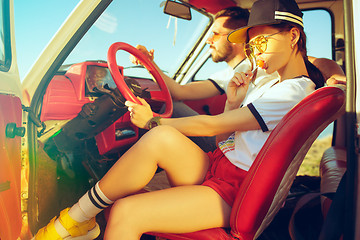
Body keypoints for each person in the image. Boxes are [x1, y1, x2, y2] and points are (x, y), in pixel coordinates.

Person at [33, 0, 325, 239]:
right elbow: (226, 140)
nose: (256, 54)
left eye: (261, 41)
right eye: (251, 46)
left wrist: (152, 121)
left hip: (237, 189)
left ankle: (74, 220)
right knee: (162, 140)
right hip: (219, 167)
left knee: (126, 211)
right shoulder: (268, 83)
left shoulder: (293, 91)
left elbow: (211, 127)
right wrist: (233, 101)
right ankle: (79, 218)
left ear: (293, 35)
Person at [131, 7, 345, 152]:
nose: (208, 40)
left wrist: (336, 78)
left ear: (236, 37)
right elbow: (179, 92)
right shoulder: (229, 75)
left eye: (215, 34)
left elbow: (318, 62)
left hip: (236, 148)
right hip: (227, 140)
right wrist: (150, 64)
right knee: (173, 106)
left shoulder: (266, 63)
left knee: (166, 117)